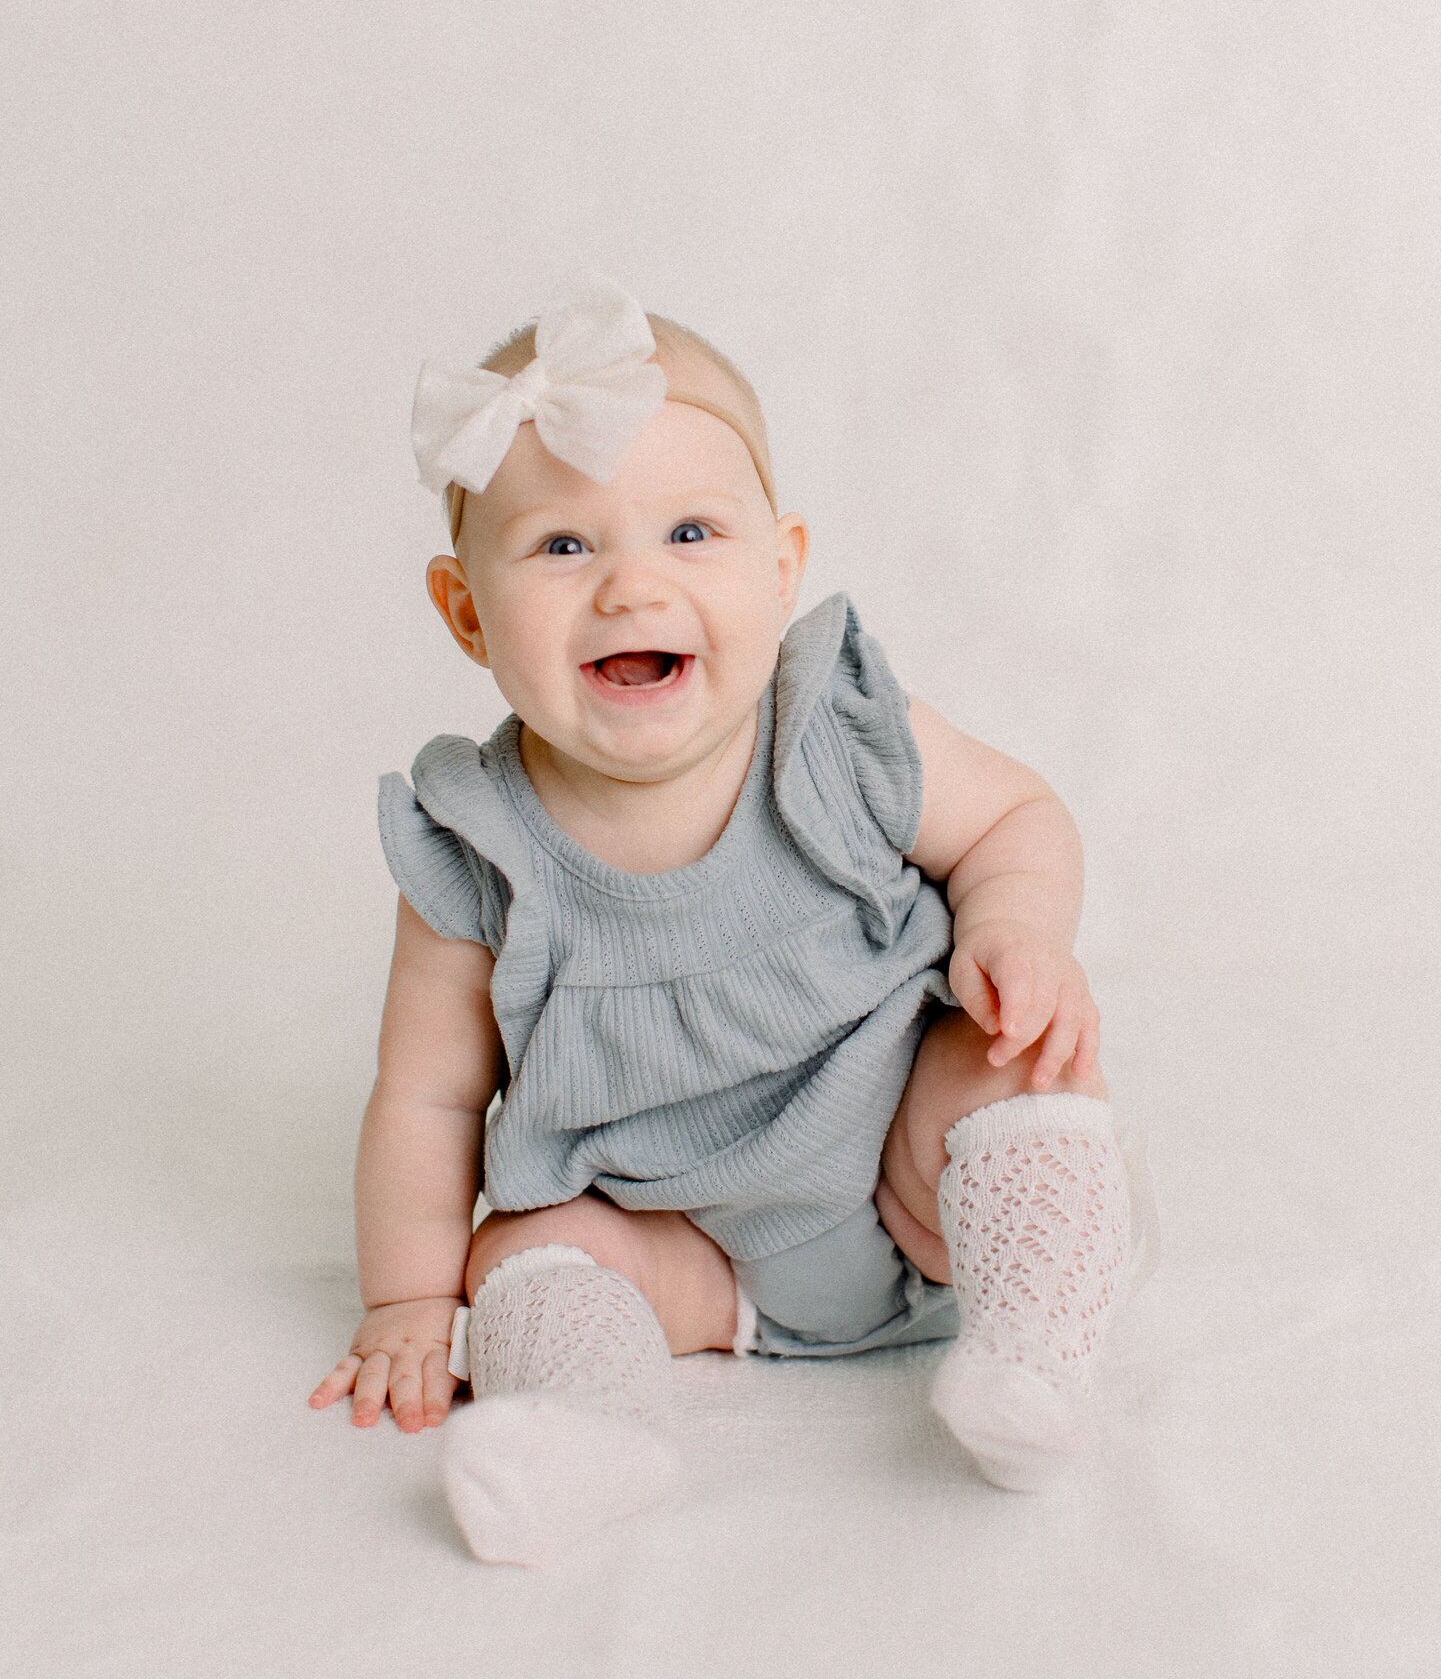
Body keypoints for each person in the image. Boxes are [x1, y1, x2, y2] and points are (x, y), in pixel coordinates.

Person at [310, 274, 1153, 1564]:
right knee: (527, 1248)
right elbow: (423, 1101)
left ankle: (1035, 1347)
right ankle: (591, 1430)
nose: (630, 588)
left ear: (784, 563)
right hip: (698, 1266)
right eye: (563, 545)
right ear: (467, 612)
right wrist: (411, 1298)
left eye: (691, 534)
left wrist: (1018, 933)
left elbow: (1016, 819)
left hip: (918, 1188)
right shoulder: (478, 847)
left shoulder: (836, 732)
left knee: (1010, 1061)